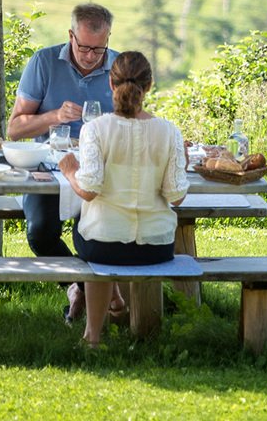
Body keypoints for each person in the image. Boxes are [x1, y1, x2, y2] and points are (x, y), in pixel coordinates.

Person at [59, 50, 187, 348]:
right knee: (95, 231)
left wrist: (69, 171)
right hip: (156, 247)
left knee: (84, 225)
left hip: (105, 249)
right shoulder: (170, 132)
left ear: (111, 85)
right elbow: (176, 197)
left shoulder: (95, 128)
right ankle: (116, 300)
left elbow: (88, 189)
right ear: (150, 86)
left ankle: (92, 337)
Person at [7, 2, 119, 320]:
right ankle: (79, 286)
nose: (90, 56)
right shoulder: (44, 61)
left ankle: (96, 295)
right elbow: (14, 129)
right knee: (40, 232)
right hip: (49, 168)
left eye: (99, 49)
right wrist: (53, 116)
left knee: (94, 233)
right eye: (84, 47)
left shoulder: (119, 67)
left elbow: (134, 125)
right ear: (70, 35)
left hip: (101, 172)